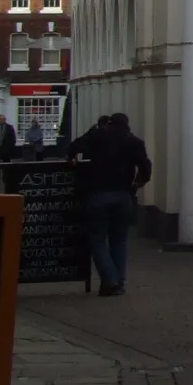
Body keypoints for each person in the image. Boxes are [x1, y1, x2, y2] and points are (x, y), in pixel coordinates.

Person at [71, 112, 152, 297]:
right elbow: (146, 168)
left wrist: (73, 159)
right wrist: (137, 183)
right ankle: (119, 281)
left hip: (98, 194)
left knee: (97, 239)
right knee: (120, 240)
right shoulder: (134, 142)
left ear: (109, 123)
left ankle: (110, 281)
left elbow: (74, 146)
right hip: (123, 195)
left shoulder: (98, 136)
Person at [0, 117, 18, 183]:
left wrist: (10, 148)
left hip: (6, 149)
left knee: (6, 164)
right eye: (0, 119)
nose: (2, 120)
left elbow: (13, 138)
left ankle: (6, 177)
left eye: (3, 119)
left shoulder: (9, 127)